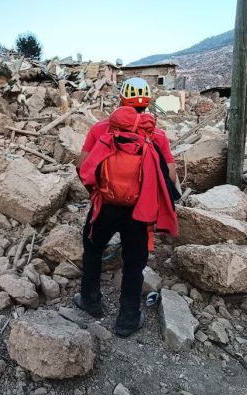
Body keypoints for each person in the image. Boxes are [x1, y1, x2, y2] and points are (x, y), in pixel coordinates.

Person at [75, 77, 179, 337]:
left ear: (121, 100)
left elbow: (84, 167)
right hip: (140, 211)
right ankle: (127, 319)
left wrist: (98, 194)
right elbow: (170, 175)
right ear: (148, 102)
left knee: (92, 248)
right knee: (134, 262)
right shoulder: (157, 134)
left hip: (105, 206)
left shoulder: (101, 128)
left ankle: (91, 301)